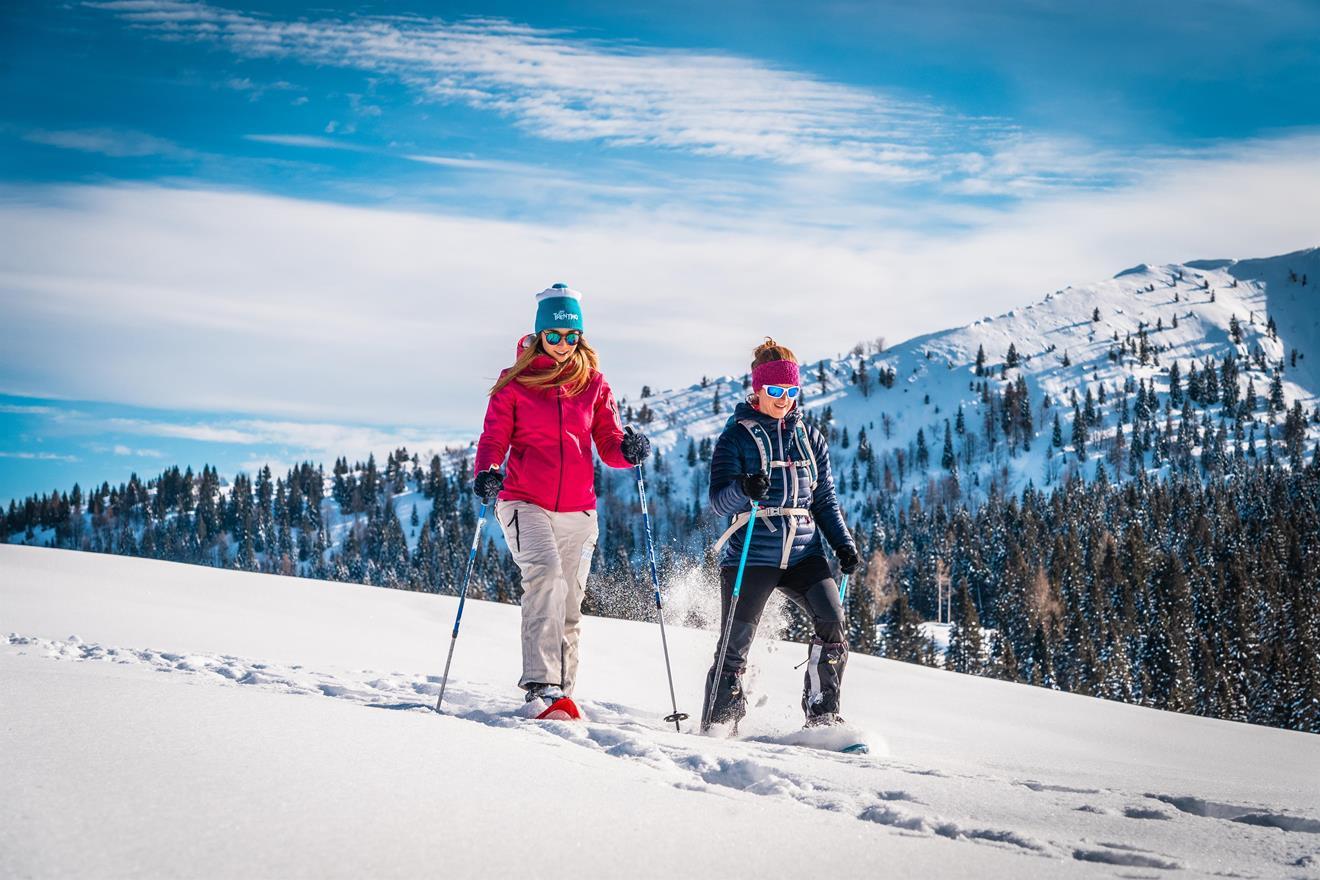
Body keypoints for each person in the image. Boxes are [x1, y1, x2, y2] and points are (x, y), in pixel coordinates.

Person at [473, 283, 651, 708]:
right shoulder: (514, 383)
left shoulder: (593, 383)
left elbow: (609, 442)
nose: (563, 344)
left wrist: (627, 451)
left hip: (578, 509)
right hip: (522, 500)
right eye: (554, 336)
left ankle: (562, 695)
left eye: (572, 337)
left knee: (569, 601)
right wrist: (487, 472)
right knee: (546, 578)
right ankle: (541, 684)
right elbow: (493, 439)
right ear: (539, 336)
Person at [703, 337, 860, 732]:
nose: (784, 399)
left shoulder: (810, 438)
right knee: (736, 641)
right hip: (752, 554)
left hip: (805, 552)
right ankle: (720, 720)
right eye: (775, 391)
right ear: (757, 389)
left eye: (792, 391)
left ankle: (822, 715)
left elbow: (823, 498)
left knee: (833, 621)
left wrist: (842, 544)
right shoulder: (736, 437)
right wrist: (744, 489)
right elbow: (719, 502)